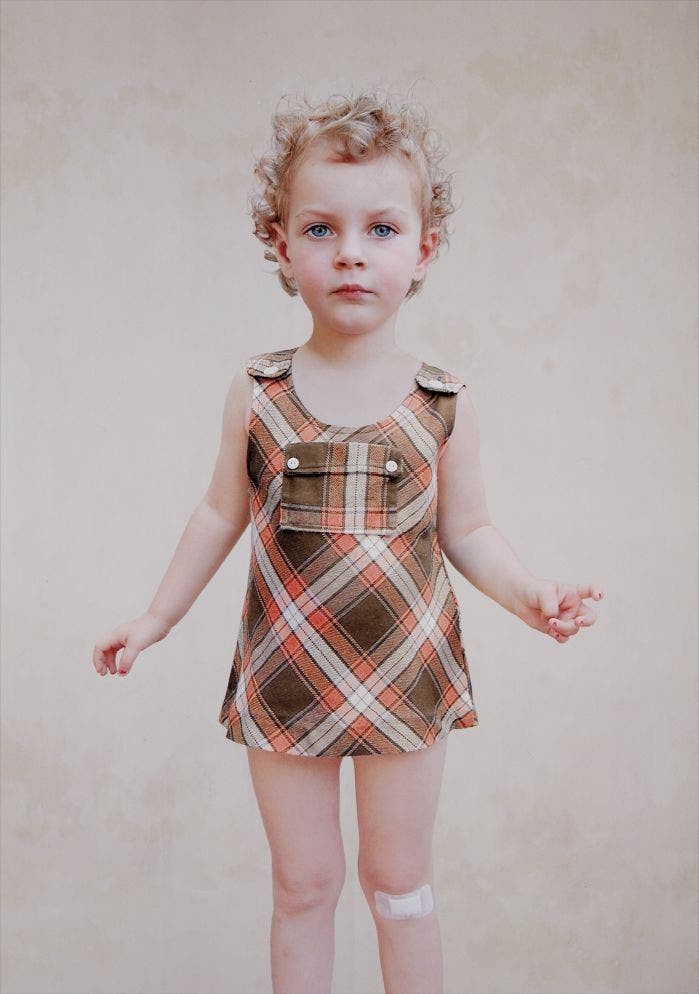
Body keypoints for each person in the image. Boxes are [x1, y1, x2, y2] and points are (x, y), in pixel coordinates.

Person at [92, 89, 604, 994]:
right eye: (321, 229)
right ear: (281, 244)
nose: (351, 254)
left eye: (381, 229)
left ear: (423, 249)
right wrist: (154, 619)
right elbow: (218, 514)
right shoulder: (257, 390)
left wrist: (530, 595)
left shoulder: (442, 401)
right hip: (286, 669)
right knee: (303, 885)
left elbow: (467, 529)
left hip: (405, 671)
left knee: (399, 885)